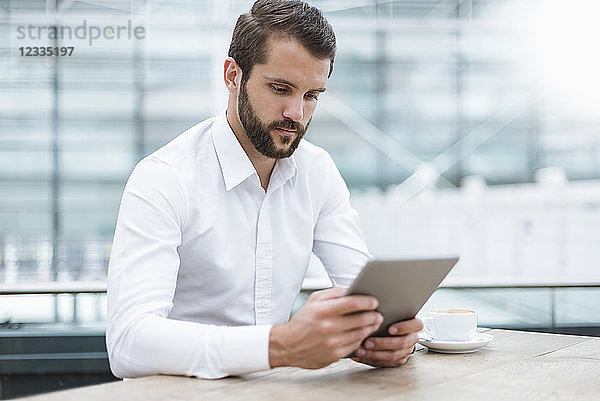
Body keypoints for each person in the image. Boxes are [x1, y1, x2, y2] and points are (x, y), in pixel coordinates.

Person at [106, 0, 422, 380]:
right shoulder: (164, 178)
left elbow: (365, 292)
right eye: (280, 88)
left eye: (311, 95)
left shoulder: (316, 171)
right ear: (232, 75)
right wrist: (281, 345)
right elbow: (128, 344)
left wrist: (387, 335)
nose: (296, 114)